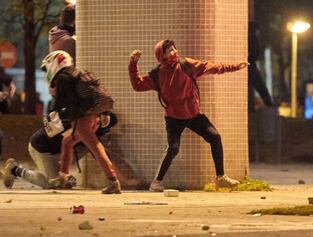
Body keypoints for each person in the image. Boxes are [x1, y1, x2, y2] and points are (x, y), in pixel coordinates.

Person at [128, 39, 248, 192]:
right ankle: (156, 183)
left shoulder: (186, 65)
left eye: (174, 49)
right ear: (162, 55)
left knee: (215, 137)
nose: (174, 52)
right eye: (170, 50)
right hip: (173, 117)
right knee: (173, 148)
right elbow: (137, 85)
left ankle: (221, 178)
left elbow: (210, 67)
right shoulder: (157, 74)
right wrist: (133, 63)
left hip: (193, 115)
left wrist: (235, 66)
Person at [41, 50, 121, 194]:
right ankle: (63, 176)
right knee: (67, 142)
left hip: (83, 120)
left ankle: (113, 180)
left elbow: (60, 104)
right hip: (93, 116)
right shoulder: (78, 73)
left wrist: (54, 114)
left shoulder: (62, 78)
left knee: (96, 148)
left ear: (55, 64)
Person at [1, 113, 118, 190]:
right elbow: (100, 155)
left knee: (88, 147)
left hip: (56, 150)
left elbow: (100, 154)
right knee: (51, 184)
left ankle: (62, 174)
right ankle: (15, 170)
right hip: (41, 149)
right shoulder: (78, 124)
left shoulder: (86, 125)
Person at [248, 21, 273, 113]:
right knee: (261, 88)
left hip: (247, 66)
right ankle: (270, 106)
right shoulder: (253, 39)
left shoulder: (246, 38)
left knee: (255, 87)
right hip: (250, 67)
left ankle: (252, 108)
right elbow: (256, 54)